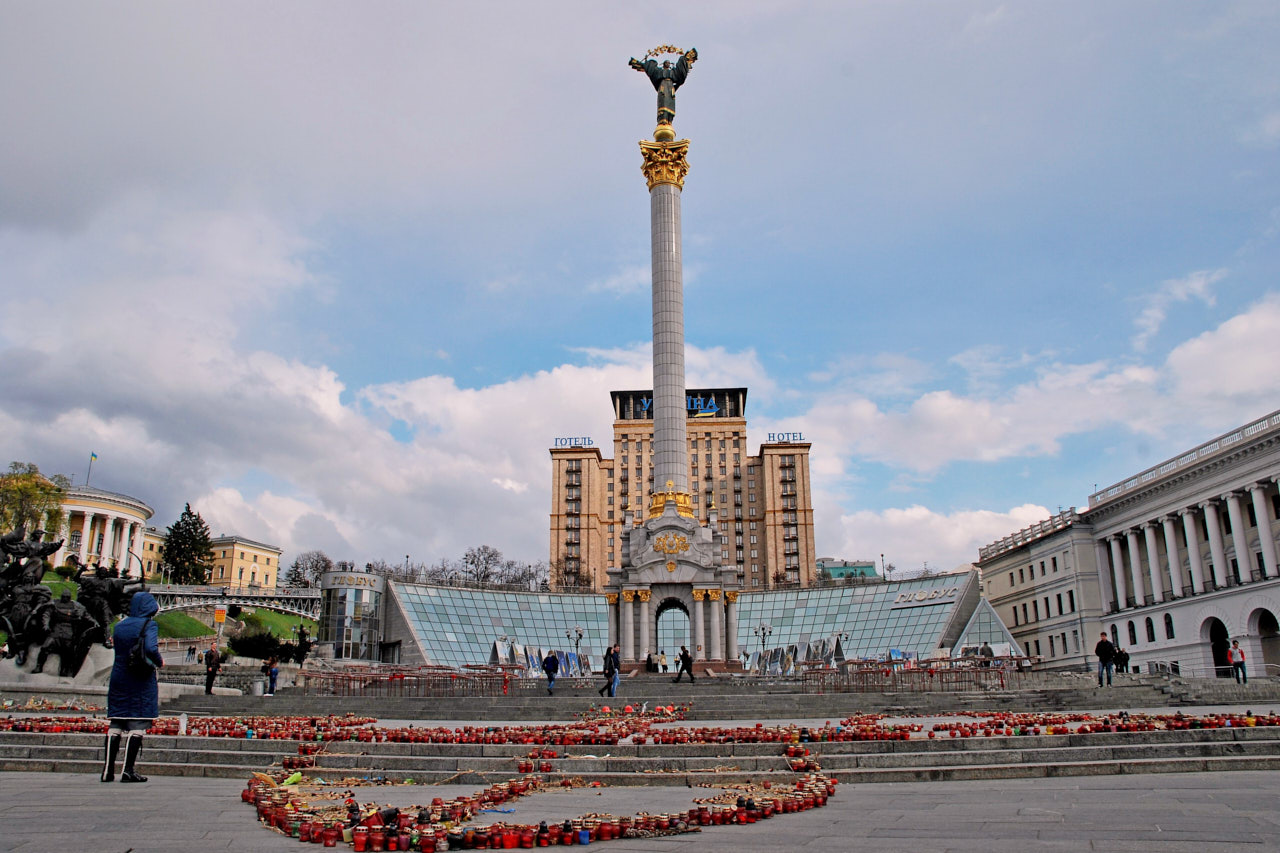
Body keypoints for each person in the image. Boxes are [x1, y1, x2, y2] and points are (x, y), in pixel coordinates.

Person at [102, 590, 163, 783]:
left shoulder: (119, 626)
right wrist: (159, 662)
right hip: (140, 676)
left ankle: (107, 770)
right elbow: (150, 648)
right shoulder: (149, 624)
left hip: (119, 675)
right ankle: (127, 770)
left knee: (117, 721)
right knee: (138, 721)